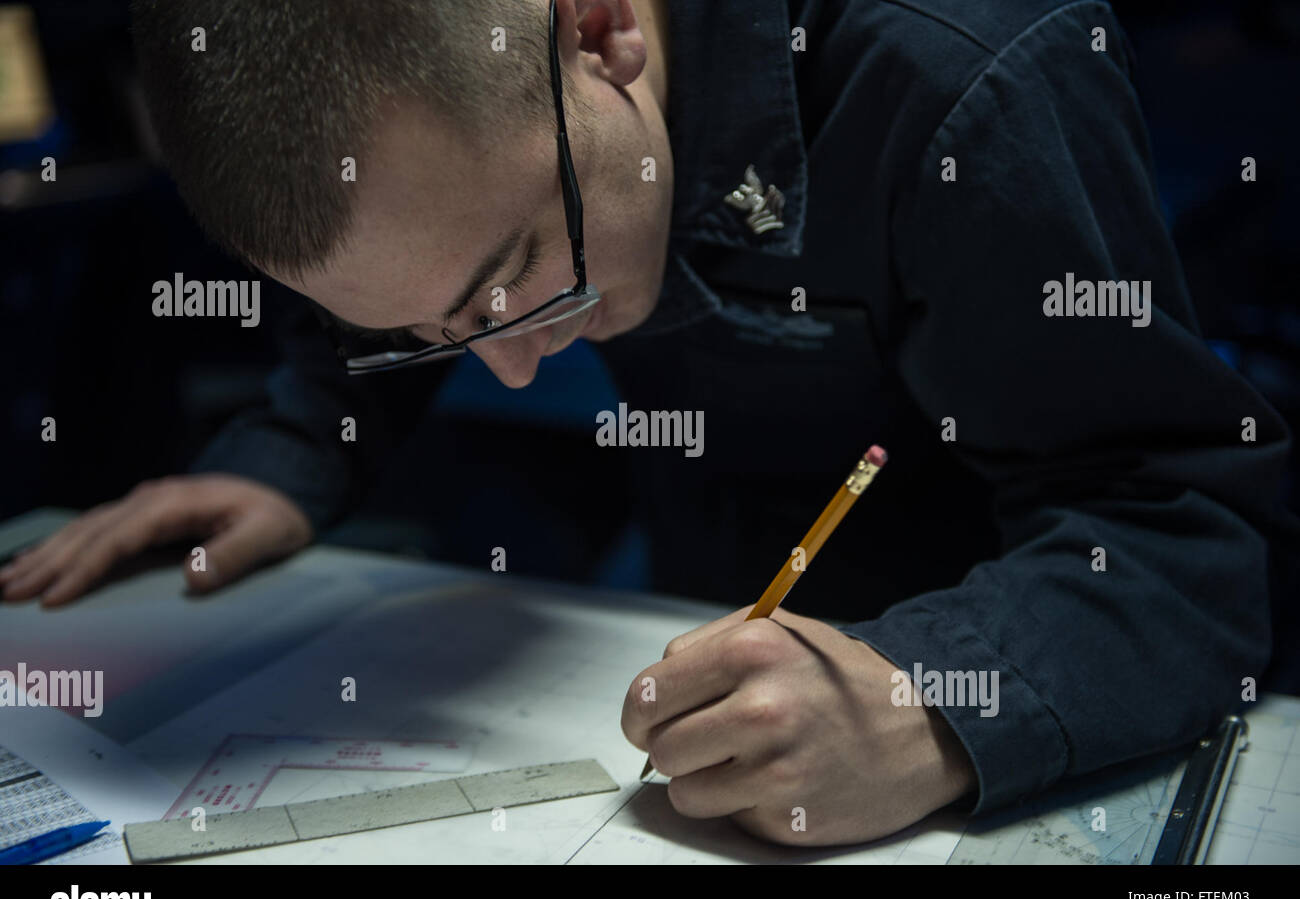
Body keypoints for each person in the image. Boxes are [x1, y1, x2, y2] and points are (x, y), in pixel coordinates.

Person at [1, 0, 1289, 846]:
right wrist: (295, 453)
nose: (508, 374)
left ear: (603, 33)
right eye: (425, 335)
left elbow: (1189, 532)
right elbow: (404, 271)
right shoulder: (488, 154)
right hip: (709, 696)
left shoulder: (966, 74)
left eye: (522, 282)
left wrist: (941, 702)